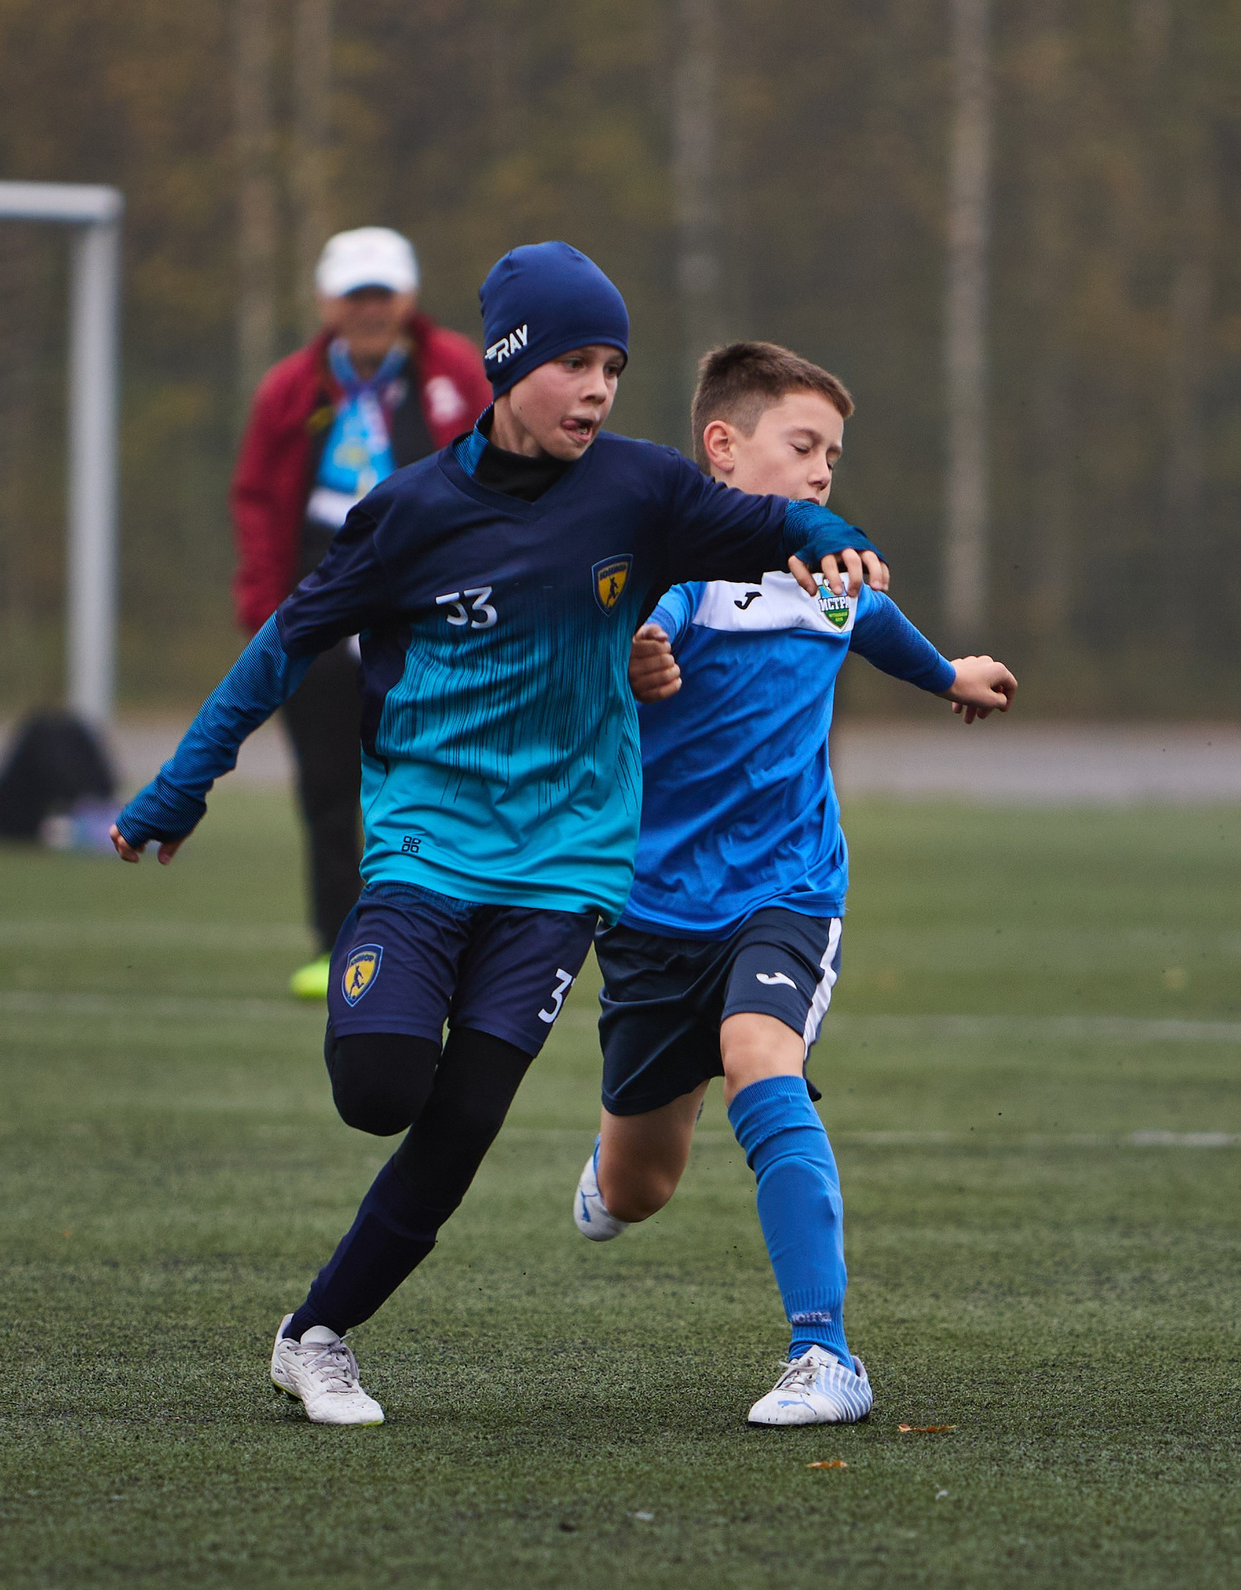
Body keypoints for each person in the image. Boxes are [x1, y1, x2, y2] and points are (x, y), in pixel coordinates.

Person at [111, 243, 891, 1426]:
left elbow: (772, 520)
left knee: (465, 1123)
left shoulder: (641, 492)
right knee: (378, 1087)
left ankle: (315, 1335)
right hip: (427, 845)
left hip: (566, 868)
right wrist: (180, 785)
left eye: (613, 367)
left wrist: (830, 541)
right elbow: (283, 645)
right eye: (574, 361)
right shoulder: (411, 513)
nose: (597, 388)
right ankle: (327, 1303)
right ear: (509, 362)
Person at [570, 342, 1016, 1426]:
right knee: (640, 1185)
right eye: (802, 446)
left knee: (759, 1059)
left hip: (788, 888)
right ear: (723, 447)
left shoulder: (830, 571)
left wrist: (950, 673)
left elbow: (876, 624)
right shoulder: (676, 569)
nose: (822, 472)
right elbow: (634, 631)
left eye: (834, 454)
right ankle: (608, 1172)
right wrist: (633, 653)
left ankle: (826, 1355)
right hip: (652, 906)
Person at [230, 227, 490, 997]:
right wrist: (264, 612)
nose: (370, 310)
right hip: (317, 597)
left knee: (436, 776)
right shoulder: (291, 389)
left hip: (429, 607)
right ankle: (335, 945)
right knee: (328, 781)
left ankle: (440, 942)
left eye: (382, 294)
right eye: (356, 295)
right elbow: (255, 502)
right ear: (327, 302)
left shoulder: (455, 374)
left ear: (408, 299)